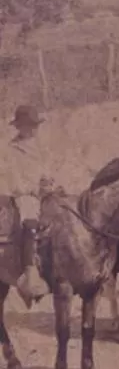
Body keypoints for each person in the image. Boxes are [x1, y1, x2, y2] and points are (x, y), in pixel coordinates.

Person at [0, 105, 88, 305]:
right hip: (25, 194)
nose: (31, 130)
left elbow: (47, 169)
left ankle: (66, 261)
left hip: (44, 191)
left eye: (34, 126)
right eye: (27, 126)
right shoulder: (10, 148)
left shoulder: (40, 146)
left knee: (66, 211)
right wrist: (30, 189)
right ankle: (30, 271)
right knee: (29, 218)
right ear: (19, 127)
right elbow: (13, 177)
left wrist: (51, 182)